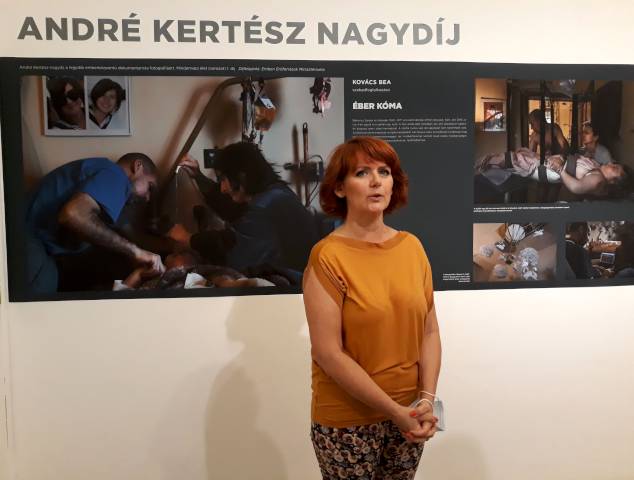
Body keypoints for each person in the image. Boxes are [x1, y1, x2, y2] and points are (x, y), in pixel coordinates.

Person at [302, 137, 441, 479]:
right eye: (362, 173)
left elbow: (429, 330)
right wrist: (393, 410)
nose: (376, 181)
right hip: (347, 419)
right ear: (339, 188)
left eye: (384, 172)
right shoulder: (328, 255)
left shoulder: (411, 247)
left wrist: (426, 399)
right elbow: (328, 352)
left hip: (409, 411)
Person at [170, 142, 319, 278]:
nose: (222, 188)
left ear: (242, 177)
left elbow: (231, 248)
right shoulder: (275, 194)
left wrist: (188, 238)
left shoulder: (264, 206)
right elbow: (233, 209)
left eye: (223, 179)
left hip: (293, 288)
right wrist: (198, 176)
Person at [26, 153, 165, 294]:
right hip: (28, 241)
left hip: (41, 246)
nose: (147, 198)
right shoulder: (115, 175)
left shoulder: (111, 190)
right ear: (137, 166)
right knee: (46, 285)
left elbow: (134, 236)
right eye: (150, 187)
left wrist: (171, 245)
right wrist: (135, 252)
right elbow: (72, 214)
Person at [476, 148, 627, 197]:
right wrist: (561, 157)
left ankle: (485, 174)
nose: (611, 164)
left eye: (614, 168)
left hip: (552, 170)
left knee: (510, 160)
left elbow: (576, 187)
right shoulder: (597, 167)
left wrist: (560, 169)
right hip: (553, 163)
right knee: (512, 158)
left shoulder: (598, 180)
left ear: (613, 181)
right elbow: (574, 159)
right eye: (615, 164)